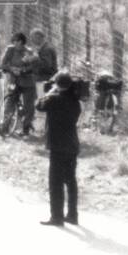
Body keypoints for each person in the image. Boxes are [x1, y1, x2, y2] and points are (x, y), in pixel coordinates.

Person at [38, 71, 83, 226]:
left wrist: (51, 90)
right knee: (70, 181)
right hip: (72, 145)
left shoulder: (54, 99)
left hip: (57, 146)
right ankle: (72, 215)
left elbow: (39, 105)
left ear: (57, 84)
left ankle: (57, 217)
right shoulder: (75, 101)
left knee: (55, 182)